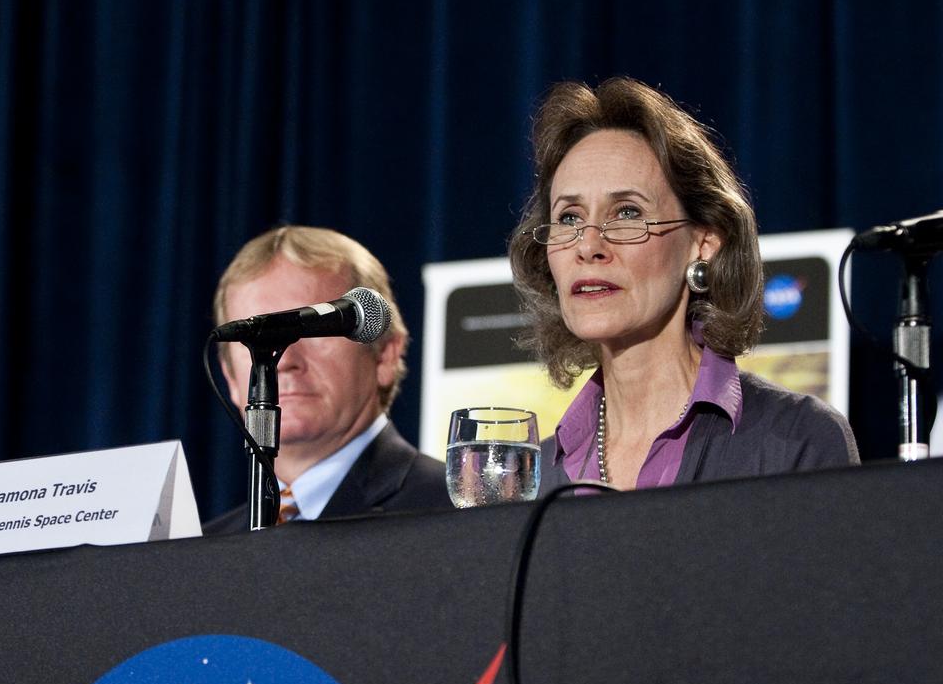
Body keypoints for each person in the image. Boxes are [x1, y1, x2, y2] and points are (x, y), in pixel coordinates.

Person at [508, 78, 859, 493]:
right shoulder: (534, 480)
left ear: (703, 243)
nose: (589, 245)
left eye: (627, 213)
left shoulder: (794, 443)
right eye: (569, 218)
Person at [203, 225, 451, 532]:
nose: (285, 362)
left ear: (385, 355)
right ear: (230, 378)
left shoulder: (459, 513)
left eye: (312, 333)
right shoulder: (200, 552)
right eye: (256, 343)